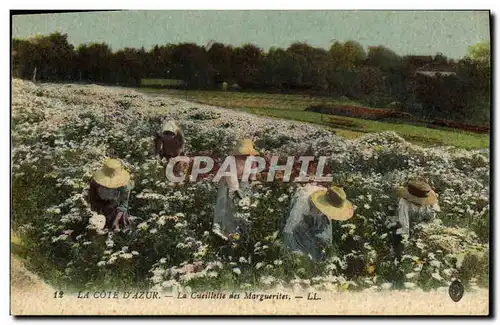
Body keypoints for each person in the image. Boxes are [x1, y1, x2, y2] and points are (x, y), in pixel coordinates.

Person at [283, 184, 354, 261]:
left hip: (313, 224)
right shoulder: (304, 204)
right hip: (300, 226)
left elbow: (324, 223)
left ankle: (317, 257)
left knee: (321, 239)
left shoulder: (328, 206)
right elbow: (290, 229)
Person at [212, 139, 259, 241]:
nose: (245, 155)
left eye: (247, 153)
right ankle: (221, 230)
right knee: (224, 204)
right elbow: (232, 180)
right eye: (243, 153)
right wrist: (240, 195)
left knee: (237, 207)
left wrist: (252, 181)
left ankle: (236, 231)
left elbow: (253, 172)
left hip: (242, 182)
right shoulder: (231, 161)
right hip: (226, 182)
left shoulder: (251, 159)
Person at [390, 179, 440, 259]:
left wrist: (425, 229)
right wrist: (408, 242)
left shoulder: (429, 201)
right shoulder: (404, 203)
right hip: (407, 228)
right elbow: (404, 225)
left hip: (424, 228)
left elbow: (433, 216)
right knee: (398, 239)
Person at [88, 158, 134, 232]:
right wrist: (95, 213)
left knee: (118, 224)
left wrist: (116, 221)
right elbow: (92, 198)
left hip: (115, 205)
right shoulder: (95, 183)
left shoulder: (124, 186)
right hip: (100, 203)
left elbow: (123, 205)